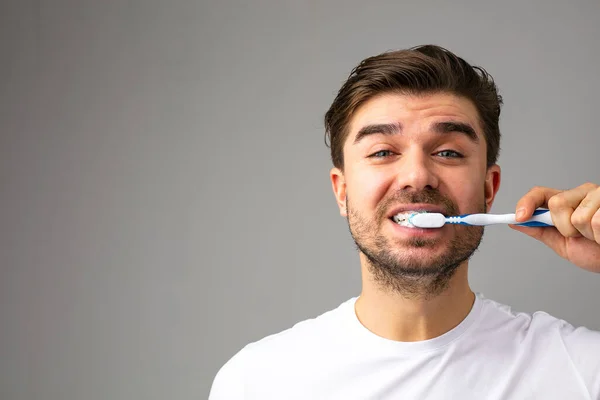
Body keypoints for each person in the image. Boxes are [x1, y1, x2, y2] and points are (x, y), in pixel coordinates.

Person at [208, 45, 600, 399]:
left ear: (489, 187)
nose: (417, 175)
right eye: (382, 152)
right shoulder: (257, 382)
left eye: (448, 152)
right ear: (342, 191)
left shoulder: (583, 371)